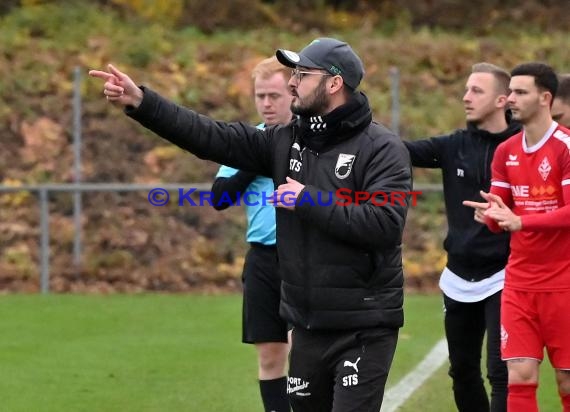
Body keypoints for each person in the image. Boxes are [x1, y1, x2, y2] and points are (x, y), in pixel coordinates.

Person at [90, 37, 412, 412]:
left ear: (334, 83)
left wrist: (309, 199)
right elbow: (210, 136)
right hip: (306, 325)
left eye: (303, 75)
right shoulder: (285, 140)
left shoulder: (382, 147)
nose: (292, 83)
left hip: (364, 325)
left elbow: (385, 223)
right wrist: (143, 103)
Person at [403, 62, 520, 412]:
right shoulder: (453, 145)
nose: (465, 97)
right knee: (463, 370)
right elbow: (397, 149)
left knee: (501, 373)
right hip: (458, 276)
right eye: (466, 89)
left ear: (502, 100)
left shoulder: (522, 146)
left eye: (476, 91)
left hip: (506, 274)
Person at [464, 62, 570, 412]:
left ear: (545, 98)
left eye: (520, 92)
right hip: (520, 283)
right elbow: (502, 218)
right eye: (510, 92)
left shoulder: (565, 147)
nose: (510, 99)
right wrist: (492, 217)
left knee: (567, 379)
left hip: (564, 284)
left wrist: (521, 221)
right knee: (519, 376)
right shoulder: (505, 151)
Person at [210, 56, 293, 412]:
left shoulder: (312, 139)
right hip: (262, 259)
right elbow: (220, 197)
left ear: (294, 93)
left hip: (306, 258)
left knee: (307, 355)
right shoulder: (250, 140)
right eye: (260, 96)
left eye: (274, 95)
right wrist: (257, 158)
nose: (267, 104)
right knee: (271, 357)